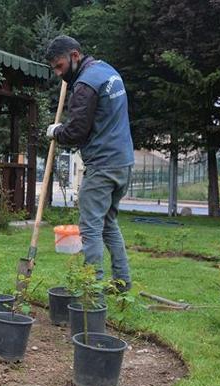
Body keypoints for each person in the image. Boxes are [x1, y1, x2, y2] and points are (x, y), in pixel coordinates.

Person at [44, 35, 135, 291]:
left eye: (60, 67)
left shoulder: (85, 85)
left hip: (103, 165)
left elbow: (76, 132)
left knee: (90, 226)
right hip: (123, 162)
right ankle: (122, 283)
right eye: (54, 69)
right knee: (108, 223)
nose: (59, 74)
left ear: (74, 56)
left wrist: (56, 131)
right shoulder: (108, 71)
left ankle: (91, 288)